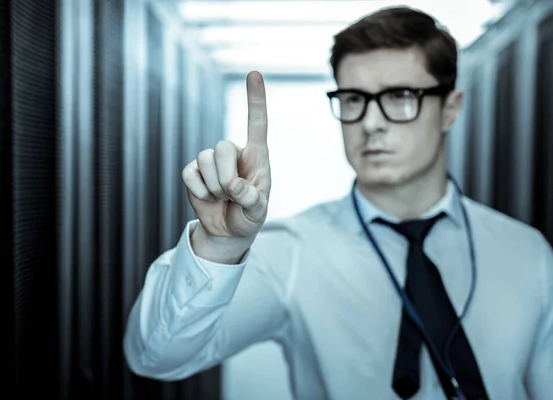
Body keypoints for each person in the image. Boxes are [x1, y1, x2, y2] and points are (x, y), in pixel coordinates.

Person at [123, 6, 553, 400]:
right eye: (352, 99)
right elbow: (157, 356)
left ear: (450, 109)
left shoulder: (527, 254)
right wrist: (217, 247)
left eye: (400, 96)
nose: (369, 123)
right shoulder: (293, 250)